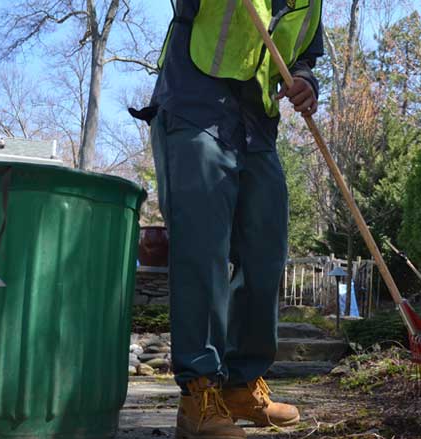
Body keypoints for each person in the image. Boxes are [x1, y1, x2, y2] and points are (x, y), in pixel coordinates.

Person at [129, 1, 323, 438]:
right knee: (204, 251)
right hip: (195, 106)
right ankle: (199, 392)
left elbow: (304, 55)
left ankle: (240, 386)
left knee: (266, 254)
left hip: (256, 123)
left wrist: (305, 81)